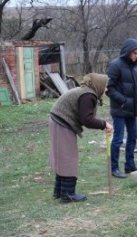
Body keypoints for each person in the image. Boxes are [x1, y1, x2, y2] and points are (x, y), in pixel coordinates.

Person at [48, 73, 113, 203]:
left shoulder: (85, 92)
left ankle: (60, 191)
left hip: (58, 120)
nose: (106, 89)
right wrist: (104, 124)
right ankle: (67, 194)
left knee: (63, 157)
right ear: (98, 85)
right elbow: (87, 120)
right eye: (105, 86)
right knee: (68, 158)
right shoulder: (88, 95)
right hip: (62, 122)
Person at [106, 38, 137, 179]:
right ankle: (114, 168)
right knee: (118, 139)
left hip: (132, 109)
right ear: (128, 51)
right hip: (119, 109)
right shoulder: (115, 65)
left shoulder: (135, 66)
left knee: (133, 136)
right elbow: (109, 87)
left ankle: (130, 165)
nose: (136, 56)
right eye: (134, 53)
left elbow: (136, 86)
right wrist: (122, 101)